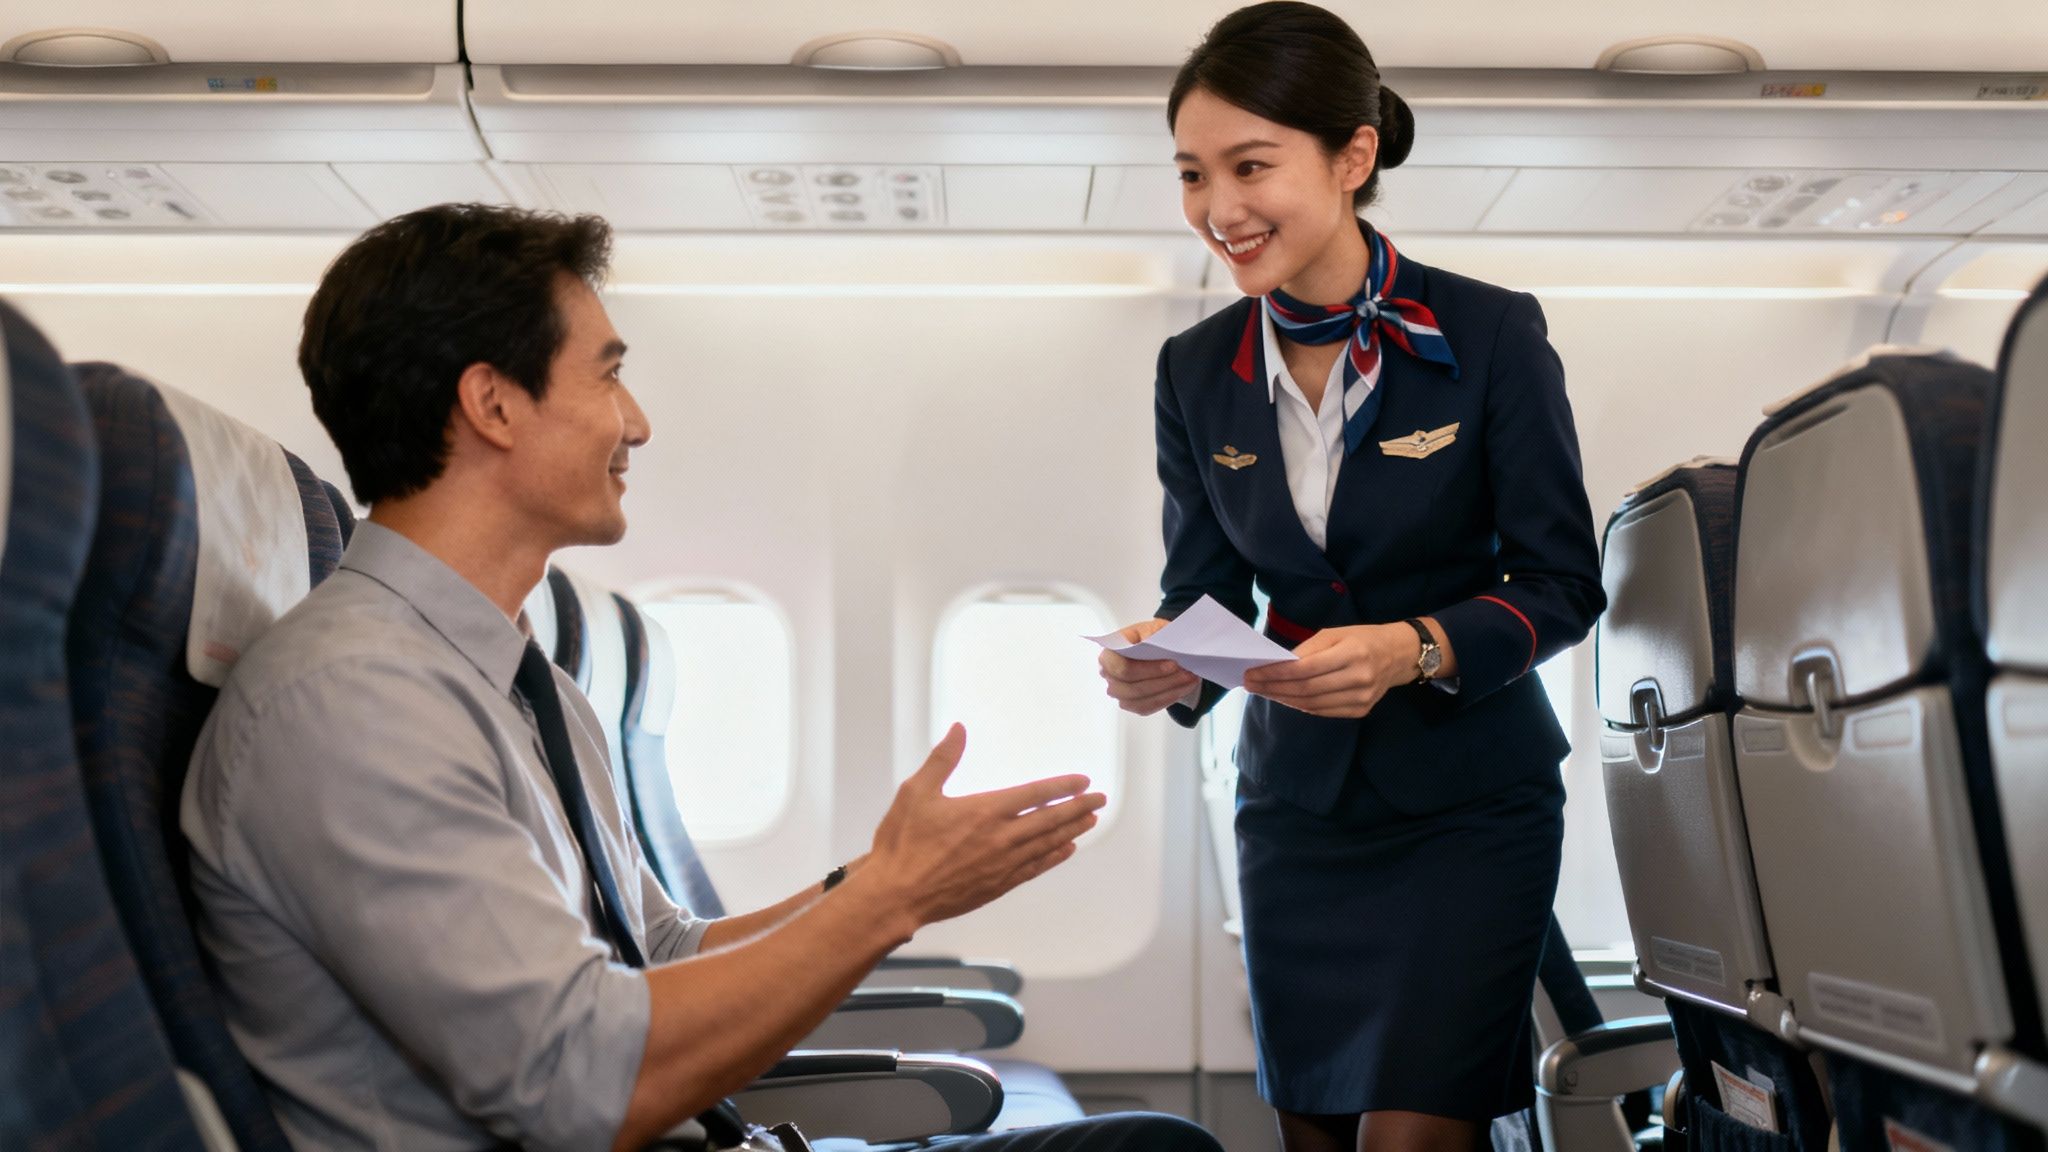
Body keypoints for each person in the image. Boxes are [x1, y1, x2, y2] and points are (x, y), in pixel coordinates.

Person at [181, 203, 1223, 1152]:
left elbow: (657, 948)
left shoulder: (522, 686)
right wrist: (891, 901)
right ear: (492, 404)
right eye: (605, 375)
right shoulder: (353, 702)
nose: (635, 422)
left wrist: (878, 877)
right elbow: (579, 1083)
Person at [1098, 5, 1606, 1151]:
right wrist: (1171, 664)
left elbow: (1561, 583)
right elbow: (1207, 591)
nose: (1217, 210)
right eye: (1191, 174)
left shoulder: (1486, 335)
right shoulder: (1196, 371)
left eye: (1249, 166)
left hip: (1471, 806)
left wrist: (1410, 646)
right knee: (1315, 1140)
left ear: (1352, 155)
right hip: (1295, 816)